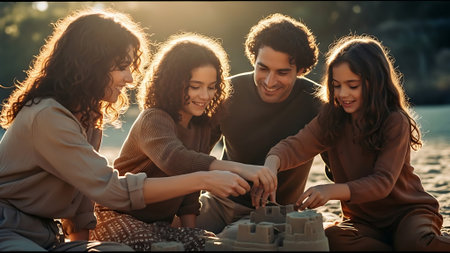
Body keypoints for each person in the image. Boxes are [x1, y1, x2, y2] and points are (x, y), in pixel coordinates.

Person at [0, 10, 253, 251]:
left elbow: (82, 198)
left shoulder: (87, 119)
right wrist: (204, 178)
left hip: (47, 234)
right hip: (8, 229)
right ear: (89, 65)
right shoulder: (49, 117)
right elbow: (113, 190)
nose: (130, 79)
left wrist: (84, 246)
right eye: (121, 67)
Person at [89, 32, 277, 251]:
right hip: (115, 217)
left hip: (160, 224)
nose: (205, 95)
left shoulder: (202, 126)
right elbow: (175, 159)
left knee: (205, 242)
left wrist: (191, 232)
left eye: (211, 86)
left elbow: (190, 193)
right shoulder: (153, 118)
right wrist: (238, 168)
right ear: (172, 84)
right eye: (195, 86)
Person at [264, 35, 450, 251]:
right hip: (364, 222)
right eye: (336, 86)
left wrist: (331, 191)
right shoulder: (331, 118)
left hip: (408, 213)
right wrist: (271, 165)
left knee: (415, 243)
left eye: (352, 85)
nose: (343, 94)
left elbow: (382, 182)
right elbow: (295, 145)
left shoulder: (394, 121)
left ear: (376, 83)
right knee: (333, 237)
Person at [196, 13, 323, 234]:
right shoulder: (226, 94)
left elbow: (341, 167)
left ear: (301, 70)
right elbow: (194, 156)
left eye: (282, 72)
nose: (269, 81)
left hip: (280, 215)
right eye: (262, 68)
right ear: (253, 60)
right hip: (219, 204)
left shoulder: (317, 102)